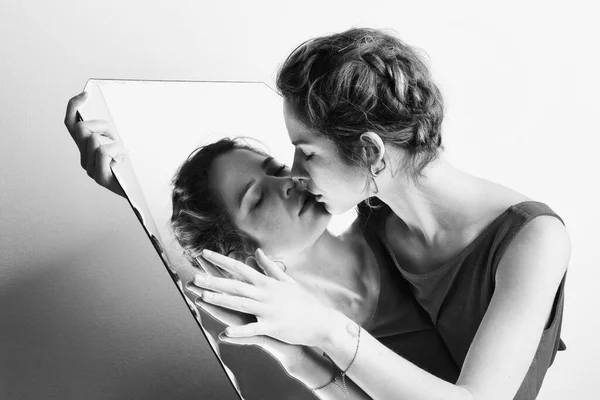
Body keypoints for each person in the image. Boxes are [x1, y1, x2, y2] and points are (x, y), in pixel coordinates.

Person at [191, 28, 570, 400]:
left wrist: (325, 327)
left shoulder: (534, 241)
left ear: (370, 153)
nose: (296, 174)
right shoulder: (378, 220)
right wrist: (291, 352)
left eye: (307, 153)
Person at [63, 95, 460, 399]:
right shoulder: (295, 339)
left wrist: (131, 187)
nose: (288, 183)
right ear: (237, 255)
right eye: (257, 199)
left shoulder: (385, 218)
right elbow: (195, 267)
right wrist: (129, 189)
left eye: (276, 170)